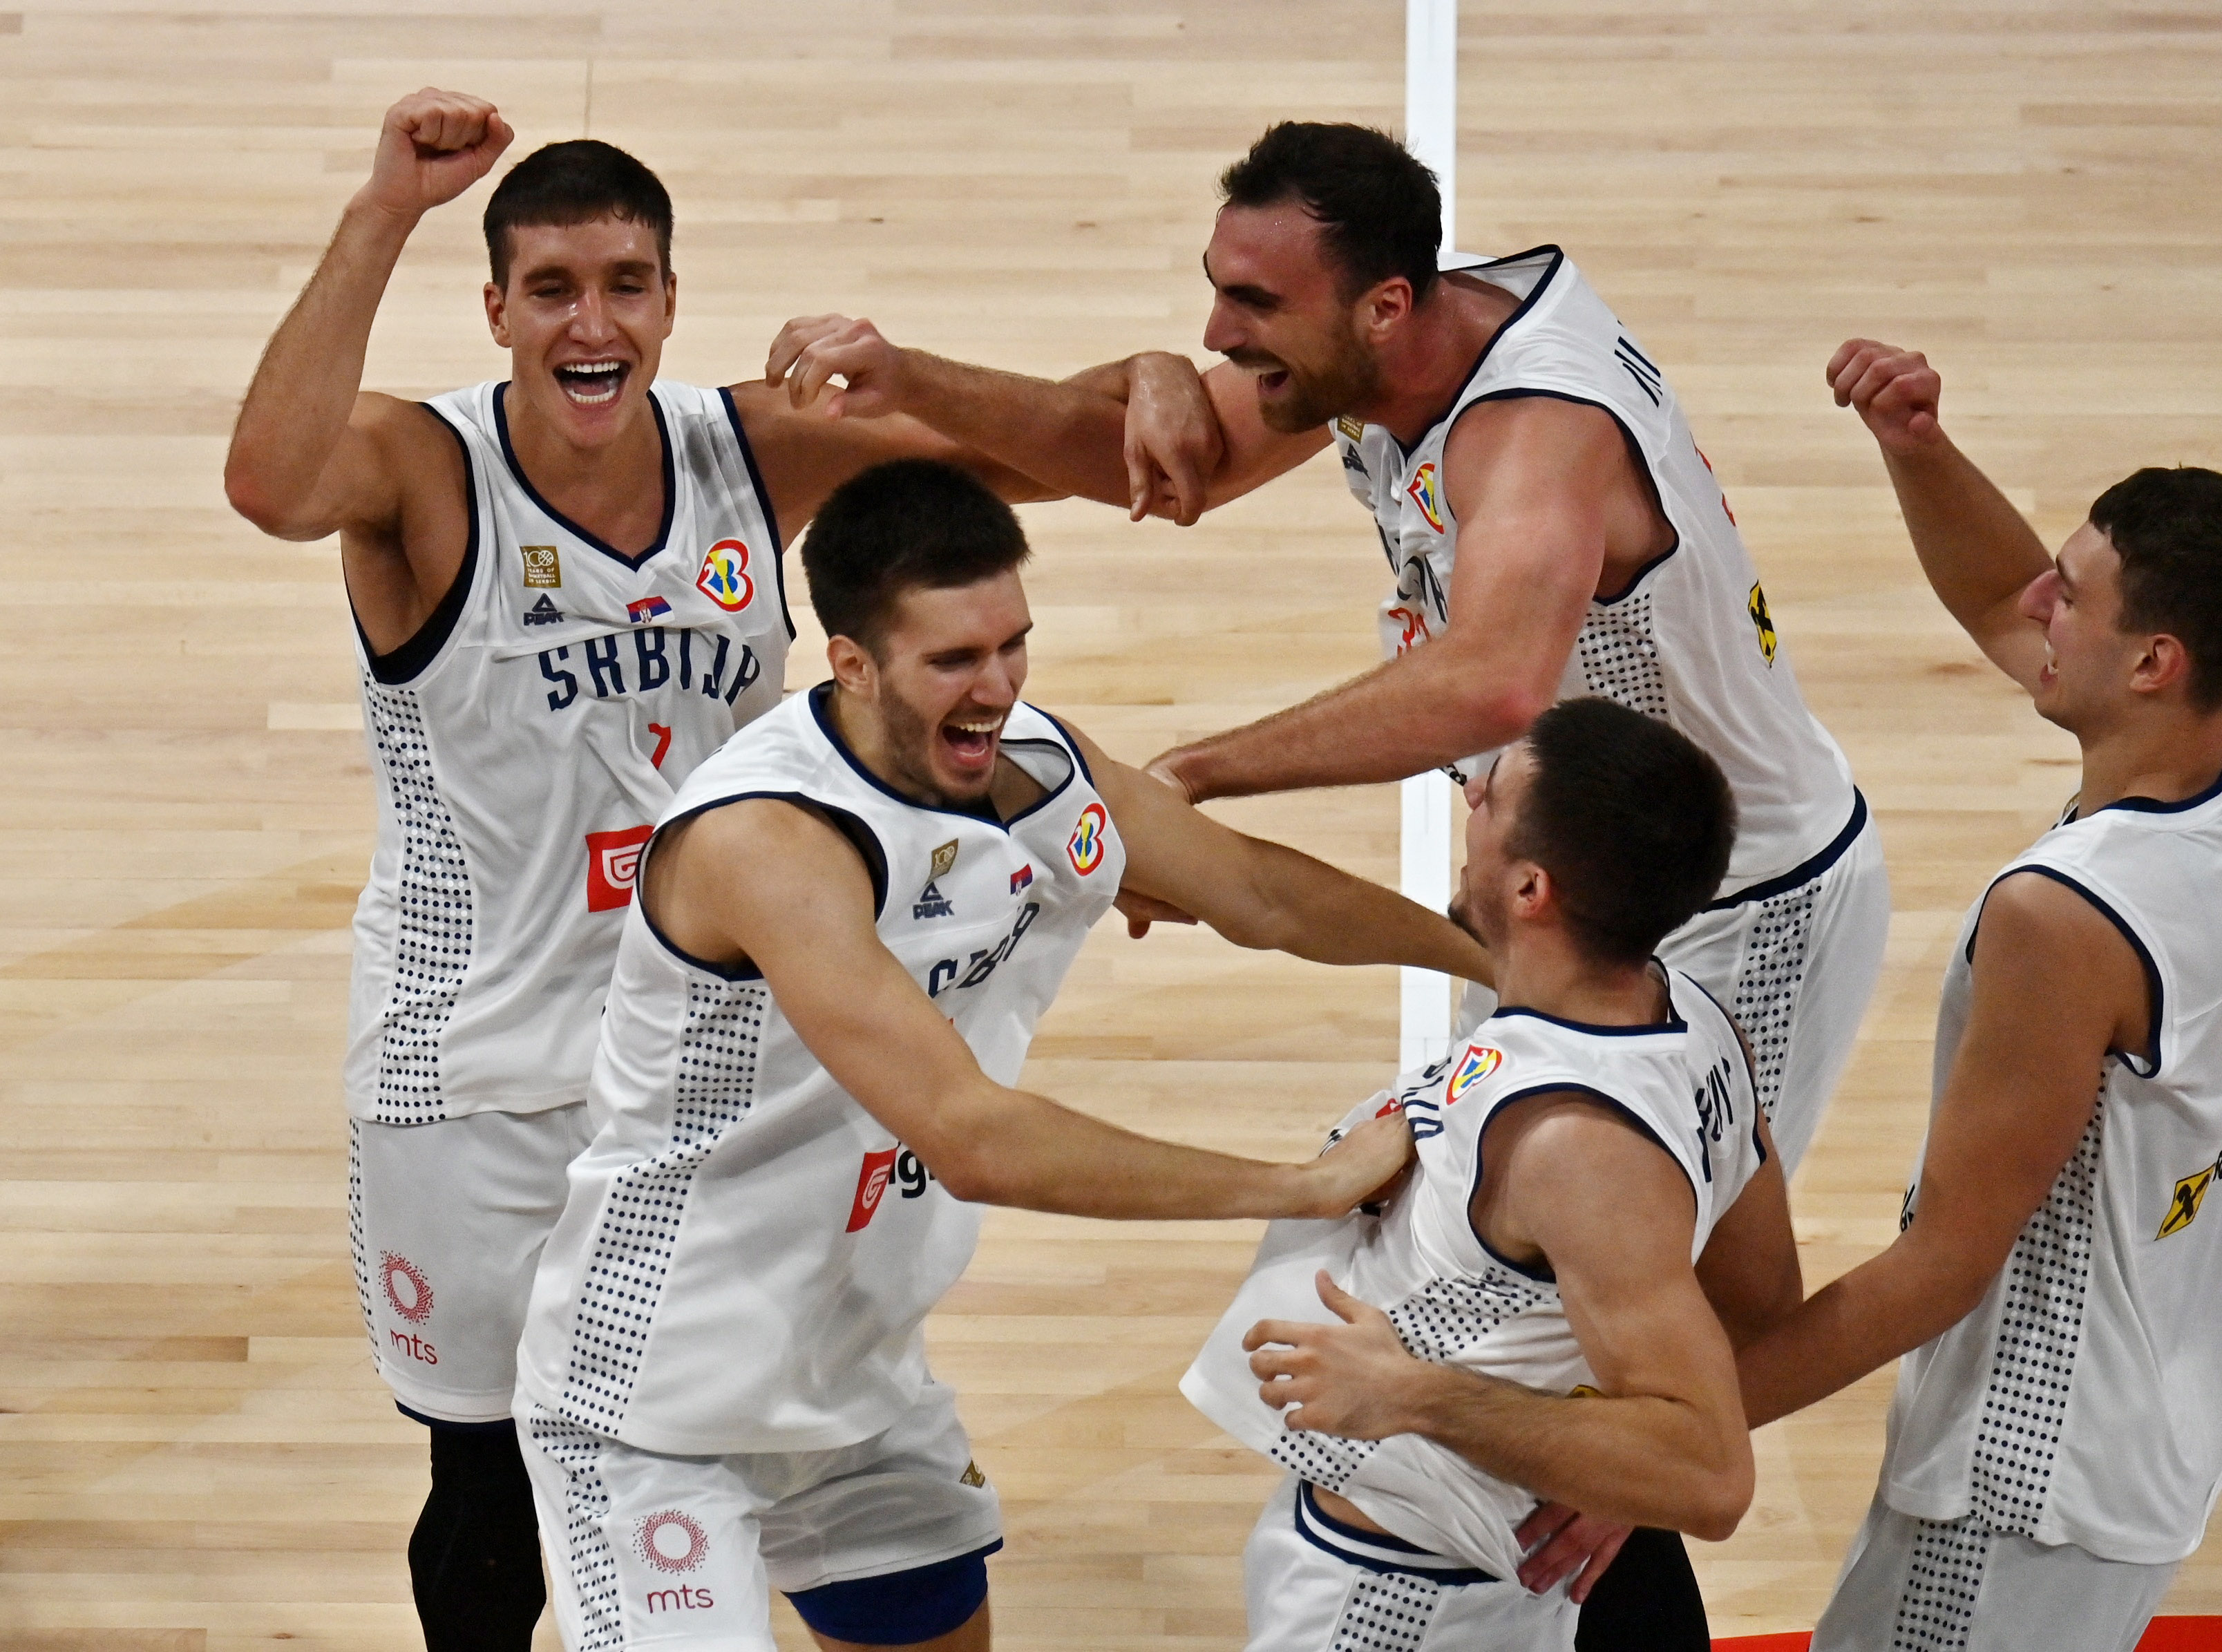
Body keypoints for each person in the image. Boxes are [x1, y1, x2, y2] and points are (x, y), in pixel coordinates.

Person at [761, 120, 1885, 1644]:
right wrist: (912, 381)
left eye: (1251, 308)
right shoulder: (1393, 343)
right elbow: (1166, 462)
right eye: (1214, 295)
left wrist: (1207, 773)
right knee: (1557, 1356)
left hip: (1729, 904)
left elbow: (1496, 683)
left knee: (1606, 1404)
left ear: (1383, 307)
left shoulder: (1531, 433)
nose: (1220, 334)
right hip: (1583, 885)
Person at [219, 90, 1152, 1647]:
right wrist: (386, 206)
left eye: (628, 283)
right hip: (479, 1074)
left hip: (713, 1047)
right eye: (556, 288)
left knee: (780, 1421)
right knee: (493, 1476)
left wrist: (981, 373)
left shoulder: (743, 448)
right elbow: (268, 480)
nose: (594, 322)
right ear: (499, 306)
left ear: (670, 296)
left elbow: (1062, 456)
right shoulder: (419, 468)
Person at [511, 457, 1497, 1651]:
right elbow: (970, 1138)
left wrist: (1497, 965)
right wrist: (1298, 1186)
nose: (996, 690)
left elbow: (1255, 894)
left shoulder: (1031, 763)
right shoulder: (767, 841)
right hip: (656, 1394)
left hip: (854, 1368)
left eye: (1011, 645)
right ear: (853, 664)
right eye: (954, 662)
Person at [1731, 341, 2222, 1651]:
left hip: (2020, 1487)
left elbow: (1943, 1266)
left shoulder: (2066, 918)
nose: (2041, 602)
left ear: (2156, 660)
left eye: (2078, 595)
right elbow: (2004, 589)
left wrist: (1665, 1431)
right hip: (2153, 1407)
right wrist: (1917, 446)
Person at [1178, 695, 1802, 1651]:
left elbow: (1712, 1476)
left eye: (1493, 793)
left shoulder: (1571, 1144)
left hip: (1402, 1596)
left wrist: (1417, 1395)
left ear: (1531, 890)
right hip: (1498, 1574)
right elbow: (1763, 1305)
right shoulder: (1690, 1022)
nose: (1468, 789)